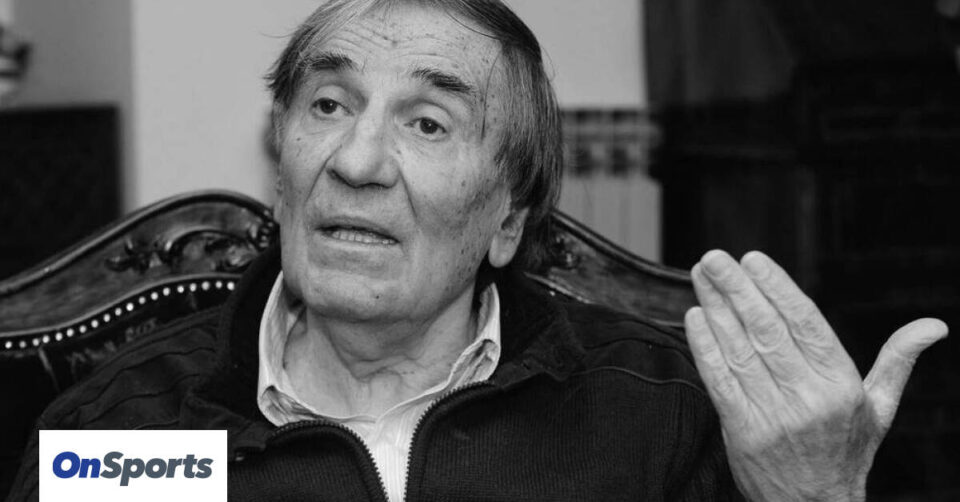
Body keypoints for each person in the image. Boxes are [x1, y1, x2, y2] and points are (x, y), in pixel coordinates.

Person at [6, 0, 947, 500]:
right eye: (328, 104)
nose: (357, 161)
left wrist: (815, 498)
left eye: (428, 122)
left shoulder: (661, 419)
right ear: (282, 168)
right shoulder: (120, 439)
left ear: (507, 222)